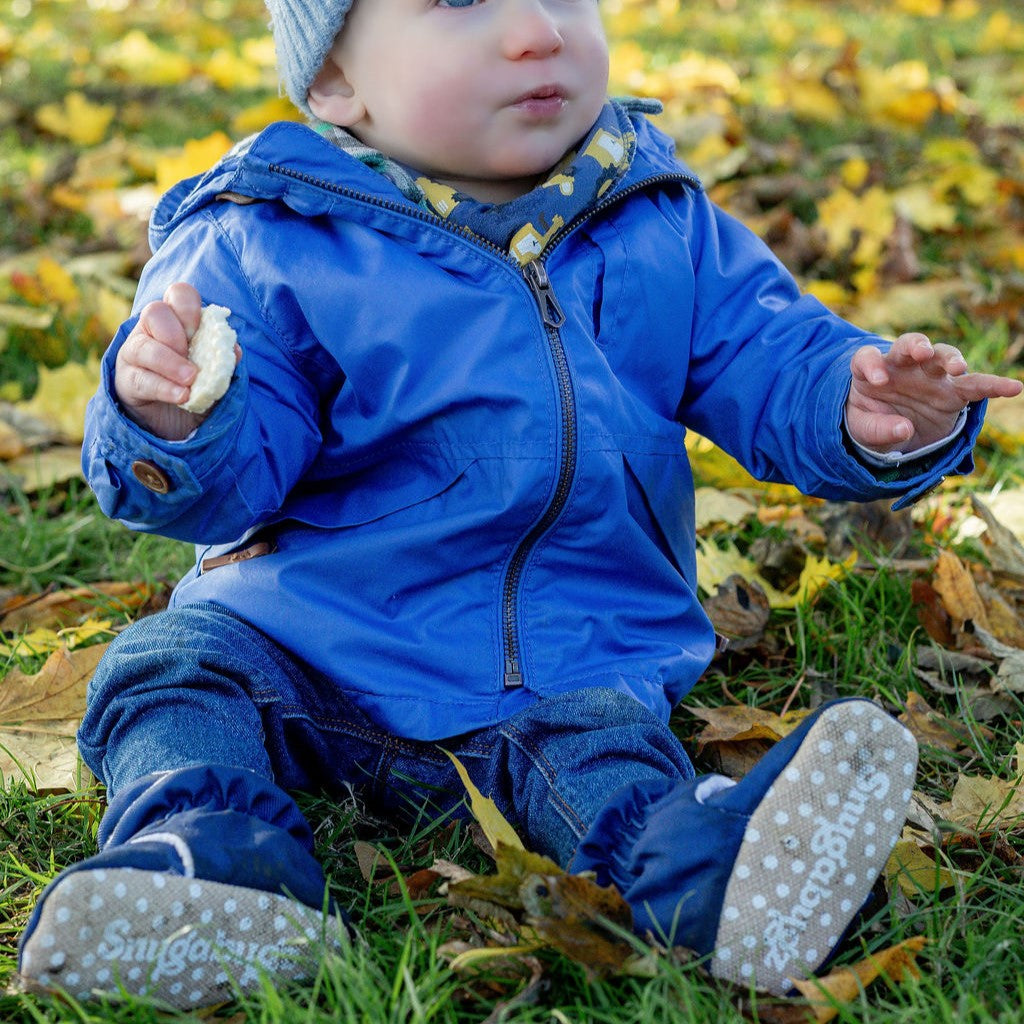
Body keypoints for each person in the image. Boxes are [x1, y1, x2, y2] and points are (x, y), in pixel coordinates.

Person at [18, 0, 1022, 1010]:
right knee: (169, 670)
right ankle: (201, 853)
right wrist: (173, 420)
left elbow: (770, 356)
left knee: (607, 757)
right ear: (334, 82)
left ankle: (703, 876)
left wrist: (862, 403)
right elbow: (236, 479)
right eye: (459, 2)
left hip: (563, 661)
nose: (537, 30)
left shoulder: (655, 219)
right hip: (308, 644)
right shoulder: (262, 237)